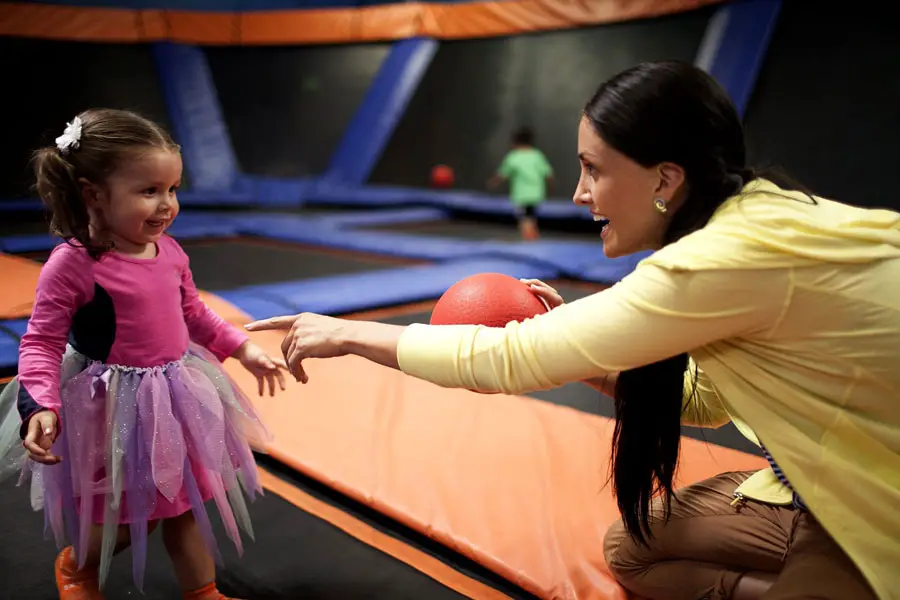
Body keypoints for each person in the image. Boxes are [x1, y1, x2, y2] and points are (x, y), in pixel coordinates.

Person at [245, 60, 900, 600]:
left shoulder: (725, 258)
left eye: (595, 169)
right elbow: (706, 401)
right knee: (632, 551)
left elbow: (511, 359)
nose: (580, 193)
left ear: (665, 180)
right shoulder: (755, 213)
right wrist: (587, 347)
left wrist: (349, 335)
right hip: (817, 483)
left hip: (878, 502)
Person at [0, 109, 287, 600]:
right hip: (114, 408)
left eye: (172, 189)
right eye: (149, 191)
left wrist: (243, 348)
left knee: (186, 505)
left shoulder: (170, 252)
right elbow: (41, 342)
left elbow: (194, 313)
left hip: (176, 397)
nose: (166, 205)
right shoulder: (74, 264)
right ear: (93, 194)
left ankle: (202, 591)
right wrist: (41, 404)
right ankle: (77, 568)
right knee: (128, 518)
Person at [487, 126, 554, 240]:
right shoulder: (537, 155)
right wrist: (551, 187)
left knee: (524, 220)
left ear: (515, 142)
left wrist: (493, 183)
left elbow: (502, 174)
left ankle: (530, 241)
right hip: (536, 194)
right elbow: (548, 174)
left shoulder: (513, 157)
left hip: (522, 196)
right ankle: (533, 238)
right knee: (530, 218)